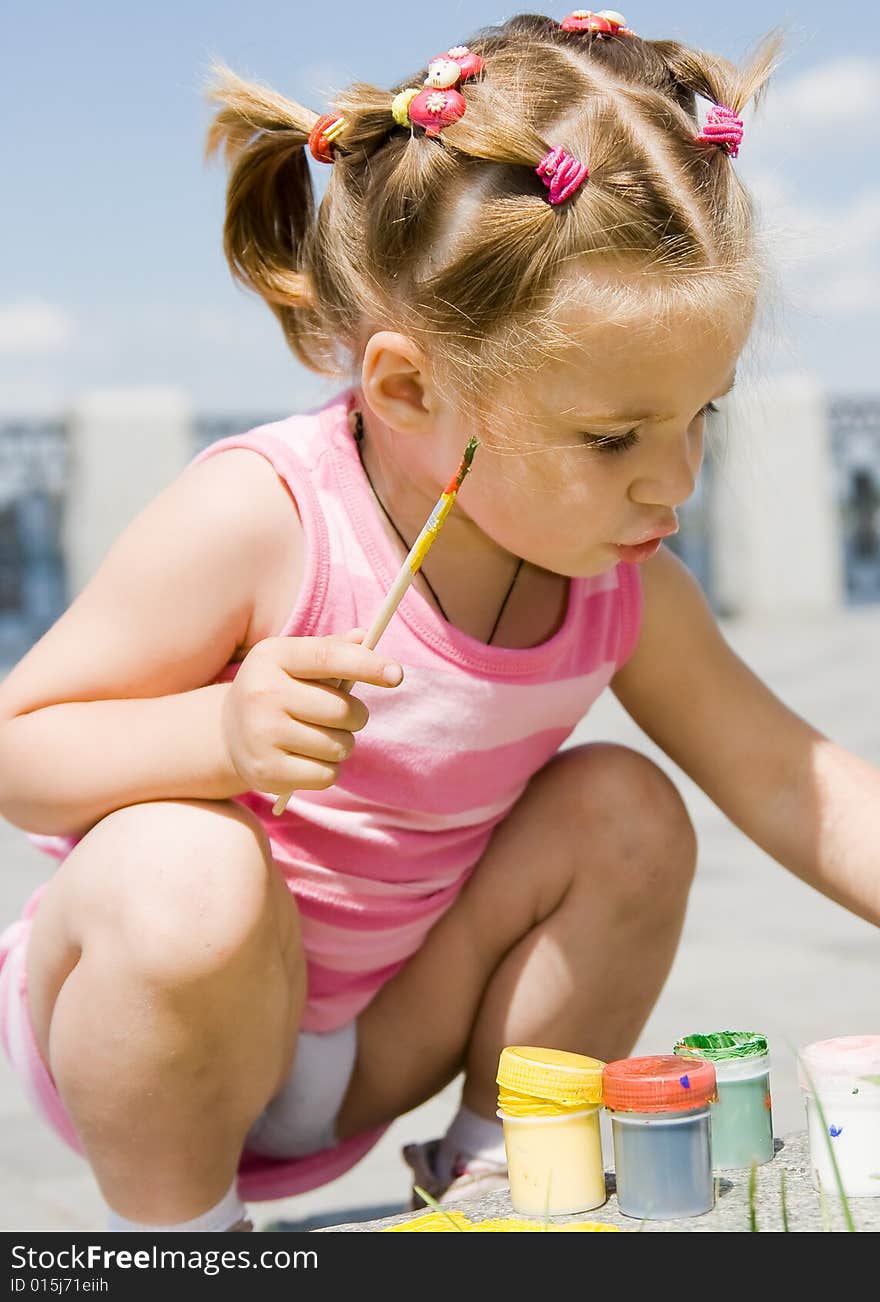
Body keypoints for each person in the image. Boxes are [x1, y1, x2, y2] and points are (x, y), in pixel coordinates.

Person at [1, 10, 875, 1235]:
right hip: (173, 1025)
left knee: (626, 809)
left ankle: (501, 1177)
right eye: (613, 437)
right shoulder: (265, 516)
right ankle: (188, 1243)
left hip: (386, 1033)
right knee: (183, 870)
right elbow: (20, 749)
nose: (674, 481)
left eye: (702, 418)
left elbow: (791, 782)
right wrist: (219, 733)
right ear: (407, 389)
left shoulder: (620, 582)